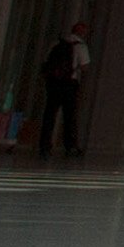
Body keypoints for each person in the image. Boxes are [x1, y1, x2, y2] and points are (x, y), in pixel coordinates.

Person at [33, 17, 91, 160]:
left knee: (49, 113)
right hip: (69, 84)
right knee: (69, 115)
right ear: (82, 33)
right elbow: (85, 67)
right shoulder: (81, 46)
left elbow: (47, 61)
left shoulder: (56, 43)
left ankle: (44, 145)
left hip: (53, 83)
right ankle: (70, 146)